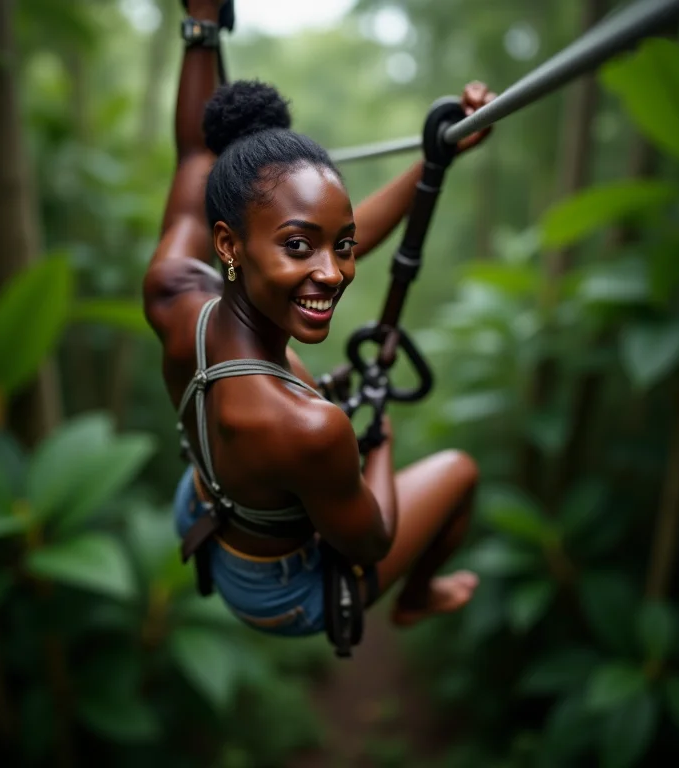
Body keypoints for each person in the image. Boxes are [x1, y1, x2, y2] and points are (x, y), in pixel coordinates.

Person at [144, 0, 496, 637]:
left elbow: (196, 150)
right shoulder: (311, 430)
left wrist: (201, 26)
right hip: (279, 592)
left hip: (200, 505)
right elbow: (371, 542)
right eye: (300, 245)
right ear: (230, 245)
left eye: (342, 245)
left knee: (295, 311)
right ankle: (418, 597)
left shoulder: (173, 293)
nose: (335, 272)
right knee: (460, 472)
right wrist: (379, 446)